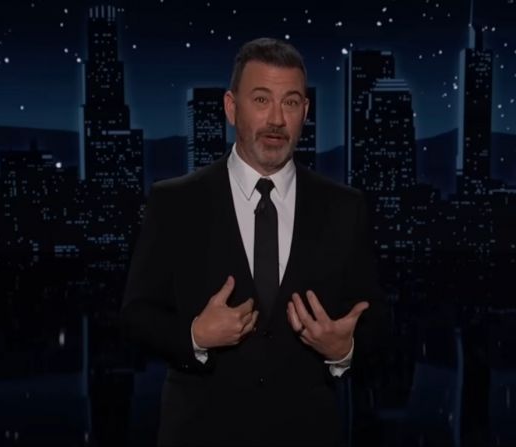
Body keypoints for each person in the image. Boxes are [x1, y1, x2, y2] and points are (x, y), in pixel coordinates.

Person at [121, 37, 386, 447]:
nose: (276, 119)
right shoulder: (175, 202)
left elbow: (376, 324)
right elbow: (136, 316)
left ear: (305, 112)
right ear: (231, 108)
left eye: (291, 102)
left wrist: (343, 349)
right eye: (261, 100)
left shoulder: (345, 208)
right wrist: (195, 336)